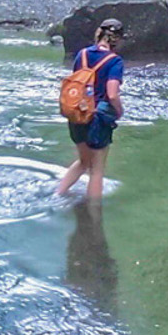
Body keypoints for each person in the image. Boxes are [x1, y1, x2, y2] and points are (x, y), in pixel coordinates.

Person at [54, 16, 127, 203]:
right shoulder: (115, 62)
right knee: (97, 170)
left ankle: (56, 195)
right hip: (98, 118)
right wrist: (119, 111)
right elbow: (112, 94)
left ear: (99, 34)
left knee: (83, 162)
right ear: (117, 39)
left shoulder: (82, 55)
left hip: (77, 114)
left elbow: (76, 85)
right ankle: (93, 217)